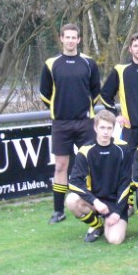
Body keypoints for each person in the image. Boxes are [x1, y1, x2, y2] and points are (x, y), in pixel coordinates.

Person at [39, 23, 101, 224]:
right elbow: (44, 93)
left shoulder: (89, 63)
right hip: (61, 123)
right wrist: (59, 108)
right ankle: (58, 211)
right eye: (68, 37)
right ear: (61, 39)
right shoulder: (51, 64)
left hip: (85, 122)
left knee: (91, 165)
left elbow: (96, 91)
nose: (71, 40)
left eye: (74, 37)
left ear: (79, 40)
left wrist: (84, 107)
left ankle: (96, 205)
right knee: (61, 166)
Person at [65, 110, 132, 244]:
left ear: (113, 129)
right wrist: (95, 201)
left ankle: (110, 220)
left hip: (115, 203)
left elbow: (126, 182)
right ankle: (97, 225)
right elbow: (74, 182)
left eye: (109, 128)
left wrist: (117, 212)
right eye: (102, 128)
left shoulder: (123, 148)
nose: (105, 132)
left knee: (114, 240)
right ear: (95, 128)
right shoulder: (85, 150)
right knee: (71, 200)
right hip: (95, 202)